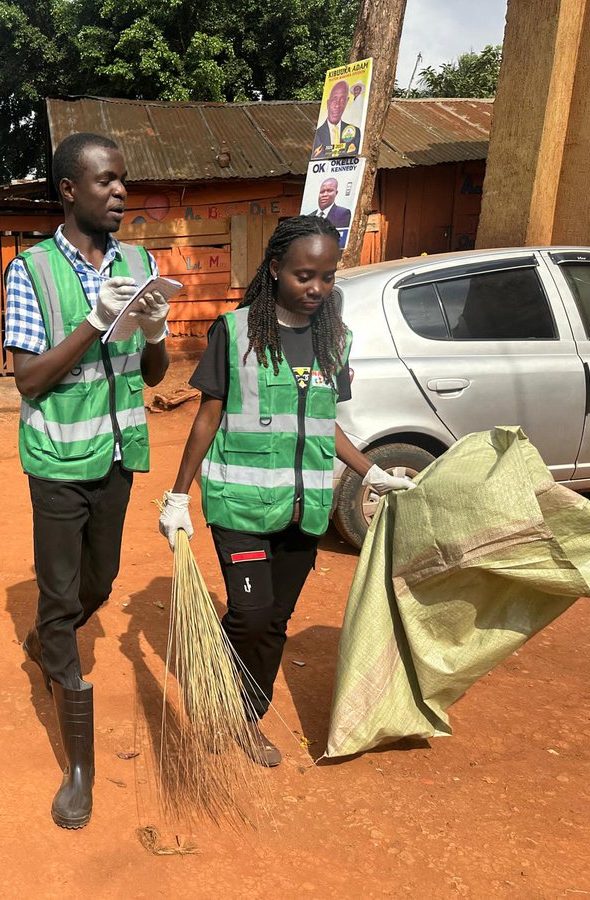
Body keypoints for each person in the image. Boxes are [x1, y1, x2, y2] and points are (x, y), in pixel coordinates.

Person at [158, 215, 415, 767]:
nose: (317, 288)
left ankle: (246, 716)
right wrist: (178, 494)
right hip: (240, 506)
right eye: (304, 275)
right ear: (275, 269)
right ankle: (219, 685)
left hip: (305, 511)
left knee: (274, 620)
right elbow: (209, 415)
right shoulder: (236, 331)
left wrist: (369, 471)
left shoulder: (335, 340)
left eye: (326, 276)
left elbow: (324, 424)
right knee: (250, 615)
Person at [5, 131, 170, 829]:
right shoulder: (31, 270)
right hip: (57, 462)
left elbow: (154, 378)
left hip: (116, 454)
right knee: (61, 591)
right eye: (105, 181)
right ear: (69, 190)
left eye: (123, 180)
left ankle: (52, 638)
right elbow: (30, 378)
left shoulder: (139, 261)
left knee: (98, 585)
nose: (120, 192)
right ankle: (79, 766)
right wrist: (93, 321)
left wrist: (155, 332)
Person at [312, 80, 361, 159]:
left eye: (342, 100)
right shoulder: (317, 134)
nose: (337, 105)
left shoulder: (355, 132)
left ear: (346, 102)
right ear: (328, 103)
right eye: (334, 99)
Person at [307, 177, 352, 248]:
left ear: (336, 193)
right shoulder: (309, 217)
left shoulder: (343, 213)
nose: (325, 195)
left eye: (329, 191)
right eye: (322, 192)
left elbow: (340, 242)